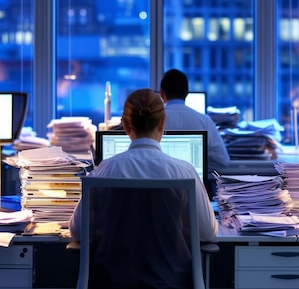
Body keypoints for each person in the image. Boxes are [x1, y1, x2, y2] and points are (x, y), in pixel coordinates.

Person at [69, 88, 217, 288]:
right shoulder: (184, 172)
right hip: (171, 282)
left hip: (110, 283)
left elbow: (77, 231)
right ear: (163, 122)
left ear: (126, 125)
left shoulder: (104, 171)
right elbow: (207, 233)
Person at [159, 69, 230, 186]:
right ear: (187, 93)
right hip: (196, 188)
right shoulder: (204, 120)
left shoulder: (153, 120)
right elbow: (223, 162)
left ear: (161, 93)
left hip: (159, 189)